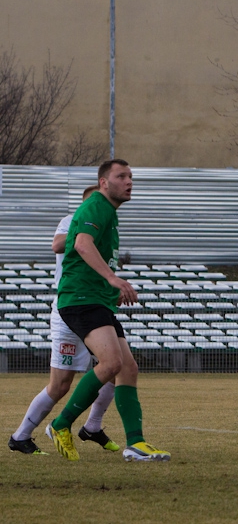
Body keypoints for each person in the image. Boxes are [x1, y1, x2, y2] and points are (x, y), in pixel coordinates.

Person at [45, 159, 170, 462]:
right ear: (103, 182)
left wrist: (110, 289)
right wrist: (113, 279)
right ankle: (61, 424)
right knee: (112, 363)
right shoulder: (96, 206)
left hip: (95, 298)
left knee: (128, 368)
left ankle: (136, 443)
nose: (129, 181)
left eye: (131, 176)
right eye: (121, 176)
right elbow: (83, 245)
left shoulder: (109, 213)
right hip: (80, 299)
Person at [8, 185, 119, 455]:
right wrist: (83, 232)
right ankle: (20, 436)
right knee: (60, 384)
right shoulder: (75, 220)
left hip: (92, 305)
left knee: (114, 369)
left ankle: (92, 426)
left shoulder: (106, 225)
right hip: (69, 310)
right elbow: (56, 244)